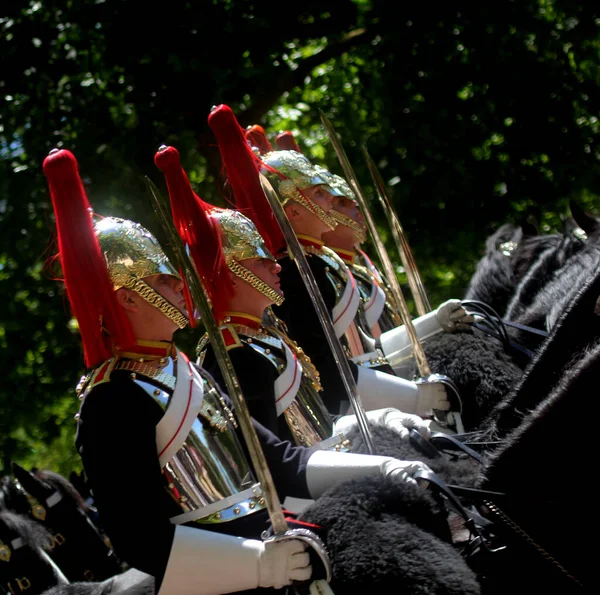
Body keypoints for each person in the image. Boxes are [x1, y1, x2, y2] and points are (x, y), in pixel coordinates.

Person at [43, 147, 432, 595]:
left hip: (275, 540)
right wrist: (261, 565)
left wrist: (379, 467)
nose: (181, 285)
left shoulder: (181, 369)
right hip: (222, 575)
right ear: (128, 298)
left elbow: (280, 461)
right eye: (164, 280)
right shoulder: (111, 400)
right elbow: (142, 539)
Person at [155, 143, 430, 450]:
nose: (275, 265)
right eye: (260, 260)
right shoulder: (236, 349)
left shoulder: (266, 334)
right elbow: (281, 451)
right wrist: (413, 398)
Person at [209, 105, 451, 421]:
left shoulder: (320, 261)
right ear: (293, 212)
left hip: (375, 392)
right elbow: (329, 368)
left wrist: (435, 321)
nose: (330, 203)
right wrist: (415, 397)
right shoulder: (296, 274)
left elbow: (367, 349)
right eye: (321, 195)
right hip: (348, 415)